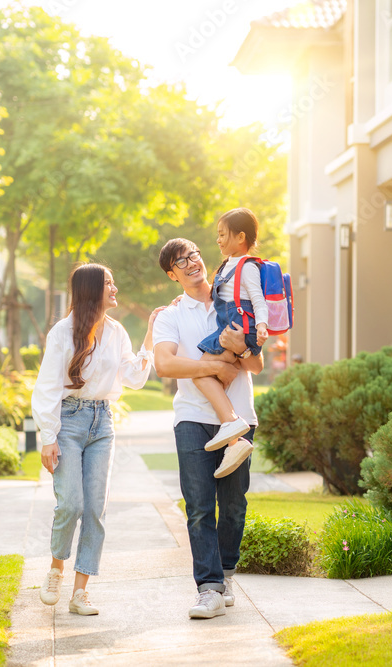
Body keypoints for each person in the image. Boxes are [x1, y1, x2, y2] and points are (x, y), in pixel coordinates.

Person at [31, 263, 165, 615]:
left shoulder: (118, 332)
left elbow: (134, 378)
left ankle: (80, 593)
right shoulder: (62, 332)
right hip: (69, 422)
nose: (115, 287)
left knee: (95, 509)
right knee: (70, 504)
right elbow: (46, 387)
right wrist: (49, 437)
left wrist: (149, 335)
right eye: (108, 283)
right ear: (92, 290)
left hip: (102, 423)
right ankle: (56, 569)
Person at [152, 237, 263, 619]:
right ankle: (209, 589)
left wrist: (241, 352)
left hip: (241, 418)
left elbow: (256, 367)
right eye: (181, 261)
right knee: (200, 509)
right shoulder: (170, 316)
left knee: (233, 506)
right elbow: (165, 365)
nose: (191, 263)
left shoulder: (231, 302)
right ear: (172, 274)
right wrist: (216, 367)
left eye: (194, 255)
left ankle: (226, 573)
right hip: (192, 421)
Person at [190, 208, 269, 477]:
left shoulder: (246, 266)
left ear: (240, 237)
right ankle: (235, 443)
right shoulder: (226, 266)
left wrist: (261, 326)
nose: (218, 240)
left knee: (200, 372)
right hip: (230, 328)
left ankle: (232, 424)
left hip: (238, 330)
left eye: (223, 234)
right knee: (214, 377)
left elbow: (257, 299)